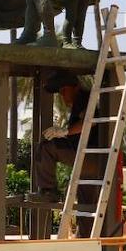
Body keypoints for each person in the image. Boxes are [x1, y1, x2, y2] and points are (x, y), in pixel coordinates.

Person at [33, 72, 91, 203]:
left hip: (90, 154)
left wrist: (66, 131)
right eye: (60, 92)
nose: (62, 95)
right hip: (84, 152)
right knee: (87, 205)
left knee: (46, 147)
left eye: (64, 90)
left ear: (76, 87)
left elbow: (89, 122)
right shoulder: (80, 101)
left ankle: (49, 192)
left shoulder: (84, 99)